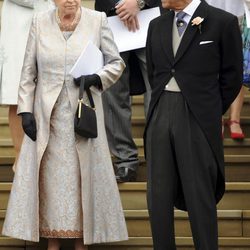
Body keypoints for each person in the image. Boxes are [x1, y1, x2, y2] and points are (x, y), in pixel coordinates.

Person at [2, 1, 128, 250]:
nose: (70, 0)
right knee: (50, 180)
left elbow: (116, 63)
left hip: (82, 114)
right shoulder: (39, 22)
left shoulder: (98, 20)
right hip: (46, 116)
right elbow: (28, 72)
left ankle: (82, 241)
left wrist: (97, 77)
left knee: (80, 176)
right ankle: (53, 241)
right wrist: (25, 110)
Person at [145, 0, 243, 249]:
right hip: (159, 113)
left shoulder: (222, 22)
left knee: (200, 195)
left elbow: (232, 76)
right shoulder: (156, 25)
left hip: (197, 117)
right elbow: (154, 72)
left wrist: (208, 111)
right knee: (158, 197)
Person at [95, 0, 164, 182]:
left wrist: (139, 2)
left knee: (159, 91)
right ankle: (125, 159)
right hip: (111, 18)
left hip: (153, 16)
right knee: (112, 93)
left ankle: (159, 158)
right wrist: (120, 5)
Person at [0, 0, 54, 171]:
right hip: (19, 23)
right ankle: (20, 160)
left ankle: (46, 158)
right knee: (18, 93)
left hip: (53, 19)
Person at [206, 0, 247, 139]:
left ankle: (235, 119)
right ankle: (216, 117)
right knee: (210, 66)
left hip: (240, 13)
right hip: (208, 13)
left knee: (237, 65)